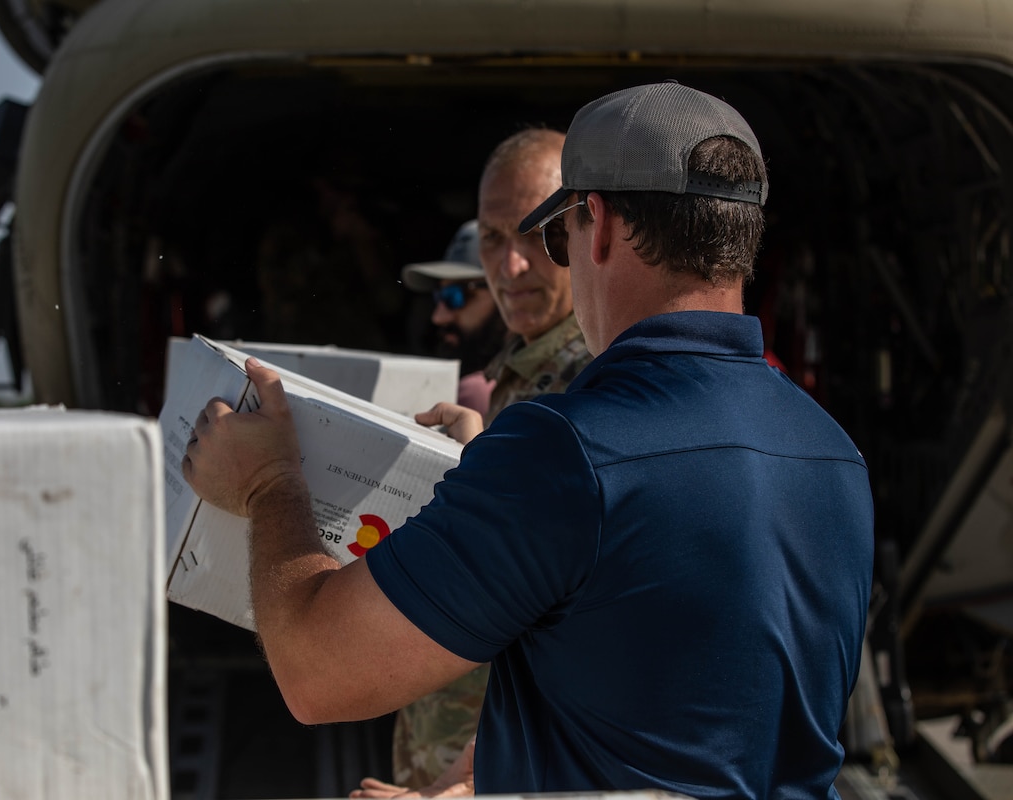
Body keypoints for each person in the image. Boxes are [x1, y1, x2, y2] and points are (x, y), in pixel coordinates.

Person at [182, 82, 874, 798]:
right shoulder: (834, 455)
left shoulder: (566, 452)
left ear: (596, 225)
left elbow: (317, 674)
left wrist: (268, 483)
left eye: (555, 231)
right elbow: (673, 714)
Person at [381, 129, 594, 794]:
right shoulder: (519, 376)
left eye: (535, 234)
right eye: (494, 240)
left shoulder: (594, 393)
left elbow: (584, 638)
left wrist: (473, 786)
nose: (510, 268)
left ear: (590, 229)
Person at [401, 220, 507, 417]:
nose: (438, 317)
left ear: (509, 293)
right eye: (438, 295)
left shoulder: (477, 393)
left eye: (455, 296)